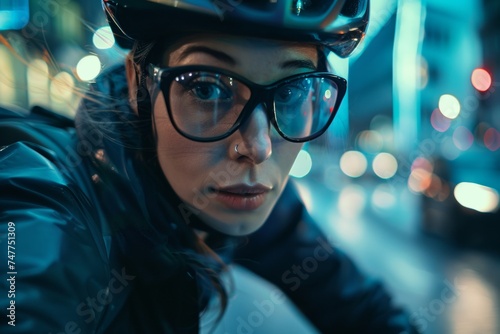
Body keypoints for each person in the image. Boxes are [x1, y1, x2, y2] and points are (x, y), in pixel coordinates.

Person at [0, 0, 416, 333]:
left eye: (293, 91)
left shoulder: (242, 192)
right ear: (137, 83)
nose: (258, 147)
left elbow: (357, 305)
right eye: (206, 88)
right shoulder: (52, 212)